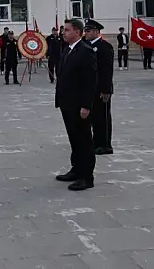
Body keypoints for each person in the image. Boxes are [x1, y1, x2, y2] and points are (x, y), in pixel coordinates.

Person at [54, 19, 97, 191]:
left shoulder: (85, 51)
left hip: (79, 105)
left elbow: (90, 81)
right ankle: (76, 169)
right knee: (74, 139)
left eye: (67, 30)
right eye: (63, 30)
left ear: (77, 32)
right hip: (67, 103)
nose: (63, 33)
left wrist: (86, 105)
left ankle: (87, 176)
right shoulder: (68, 50)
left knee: (84, 140)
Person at [84, 20, 114, 155]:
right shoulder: (86, 46)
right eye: (85, 30)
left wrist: (106, 90)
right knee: (93, 117)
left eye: (88, 31)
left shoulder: (104, 47)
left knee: (103, 117)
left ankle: (105, 144)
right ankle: (96, 142)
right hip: (90, 88)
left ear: (96, 32)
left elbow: (107, 70)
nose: (86, 33)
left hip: (101, 88)